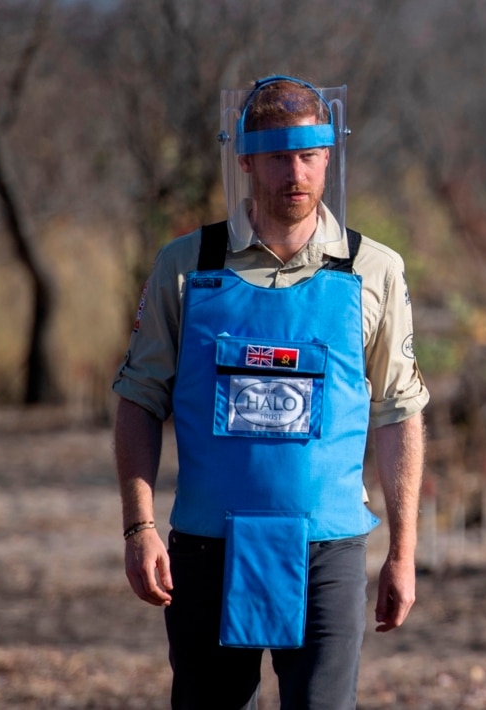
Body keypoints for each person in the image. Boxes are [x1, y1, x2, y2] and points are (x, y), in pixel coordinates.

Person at [112, 74, 429, 708]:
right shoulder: (188, 264)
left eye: (309, 155)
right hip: (206, 550)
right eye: (280, 155)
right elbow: (140, 399)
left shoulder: (374, 270)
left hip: (328, 551)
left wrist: (403, 549)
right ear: (247, 158)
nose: (296, 171)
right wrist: (138, 527)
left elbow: (397, 414)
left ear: (329, 155)